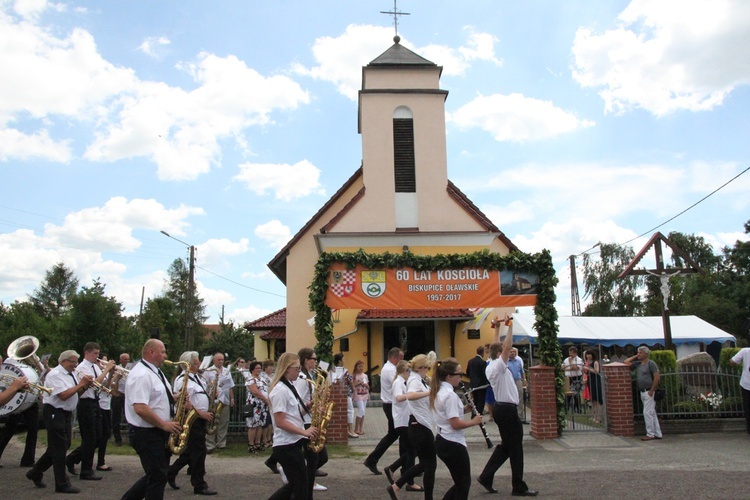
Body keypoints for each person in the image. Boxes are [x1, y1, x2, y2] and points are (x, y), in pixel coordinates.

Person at [477, 314, 539, 497]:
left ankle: (486, 476)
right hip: (507, 409)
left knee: (507, 446)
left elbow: (497, 345)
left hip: (501, 408)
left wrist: (496, 328)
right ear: (500, 355)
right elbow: (506, 346)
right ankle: (518, 486)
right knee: (516, 448)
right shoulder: (498, 366)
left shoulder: (490, 364)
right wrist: (509, 326)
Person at [121, 339, 182, 500]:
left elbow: (156, 398)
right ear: (151, 352)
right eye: (162, 352)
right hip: (147, 432)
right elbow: (140, 408)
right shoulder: (141, 374)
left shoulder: (155, 371)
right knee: (157, 476)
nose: (165, 356)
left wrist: (176, 397)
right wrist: (163, 424)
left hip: (157, 431)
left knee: (156, 475)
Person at [26, 350, 93, 494]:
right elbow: (63, 395)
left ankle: (35, 472)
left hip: (66, 413)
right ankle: (61, 483)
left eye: (76, 362)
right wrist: (81, 383)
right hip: (55, 412)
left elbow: (76, 393)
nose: (75, 365)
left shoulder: (72, 374)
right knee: (59, 448)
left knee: (61, 445)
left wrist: (85, 386)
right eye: (73, 362)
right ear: (64, 361)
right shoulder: (55, 375)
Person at [430, 357, 483, 500]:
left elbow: (447, 414)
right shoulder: (450, 395)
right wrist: (474, 422)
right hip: (452, 442)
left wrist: (465, 409)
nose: (461, 377)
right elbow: (455, 424)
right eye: (459, 374)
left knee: (461, 482)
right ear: (449, 376)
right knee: (464, 483)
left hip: (443, 440)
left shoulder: (439, 390)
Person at [268, 352, 318, 500]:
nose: (299, 371)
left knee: (297, 484)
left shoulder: (289, 386)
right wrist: (304, 432)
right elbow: (280, 422)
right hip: (285, 445)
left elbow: (293, 415)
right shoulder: (280, 390)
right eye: (297, 368)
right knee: (300, 485)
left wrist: (308, 406)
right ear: (287, 368)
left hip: (292, 443)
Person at [166, 351, 217, 495]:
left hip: (198, 419)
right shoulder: (184, 379)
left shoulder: (196, 378)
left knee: (191, 452)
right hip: (192, 419)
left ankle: (170, 472)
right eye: (196, 361)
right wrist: (201, 414)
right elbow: (184, 404)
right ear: (190, 364)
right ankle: (199, 484)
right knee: (199, 451)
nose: (199, 363)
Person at [387, 353, 433, 498]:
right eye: (428, 367)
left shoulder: (418, 379)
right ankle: (401, 484)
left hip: (420, 423)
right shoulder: (413, 380)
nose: (429, 370)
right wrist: (429, 392)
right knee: (427, 463)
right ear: (422, 367)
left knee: (425, 462)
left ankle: (397, 485)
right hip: (418, 424)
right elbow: (410, 395)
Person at [66, 342, 115, 481]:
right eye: (95, 354)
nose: (97, 357)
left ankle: (72, 458)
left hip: (96, 402)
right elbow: (93, 385)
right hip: (85, 403)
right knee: (90, 438)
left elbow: (103, 384)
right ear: (86, 353)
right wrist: (106, 370)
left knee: (100, 437)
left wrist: (110, 374)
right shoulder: (82, 367)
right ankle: (86, 470)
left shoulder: (95, 367)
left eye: (98, 354)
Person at [364, 347, 404, 475]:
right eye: (400, 358)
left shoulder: (391, 368)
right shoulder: (390, 370)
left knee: (395, 434)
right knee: (401, 434)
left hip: (392, 405)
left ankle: (373, 459)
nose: (403, 361)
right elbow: (400, 383)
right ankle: (405, 465)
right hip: (391, 405)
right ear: (393, 358)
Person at [293, 348, 327, 491]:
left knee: (319, 456)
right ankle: (306, 484)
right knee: (315, 457)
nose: (316, 361)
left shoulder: (309, 376)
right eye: (314, 358)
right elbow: (298, 402)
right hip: (305, 421)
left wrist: (317, 408)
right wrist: (310, 406)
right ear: (306, 360)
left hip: (310, 418)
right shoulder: (302, 378)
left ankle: (304, 481)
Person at [383, 360, 418, 492]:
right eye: (409, 371)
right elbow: (398, 398)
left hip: (405, 419)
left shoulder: (402, 382)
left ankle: (393, 468)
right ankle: (409, 480)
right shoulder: (398, 382)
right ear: (404, 371)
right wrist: (411, 395)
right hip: (401, 421)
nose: (410, 374)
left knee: (411, 450)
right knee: (412, 450)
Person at [624, 346, 663, 441]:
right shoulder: (638, 364)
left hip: (649, 391)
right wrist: (635, 356)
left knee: (647, 412)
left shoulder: (651, 364)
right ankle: (657, 433)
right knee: (652, 413)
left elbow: (656, 377)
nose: (639, 354)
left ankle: (650, 434)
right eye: (638, 352)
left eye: (640, 353)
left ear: (646, 354)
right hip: (643, 391)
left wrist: (652, 390)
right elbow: (626, 362)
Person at [204, 352, 235, 453]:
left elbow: (230, 386)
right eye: (219, 360)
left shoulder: (227, 371)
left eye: (222, 360)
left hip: (224, 400)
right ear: (214, 360)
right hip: (213, 400)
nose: (221, 361)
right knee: (211, 422)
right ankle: (209, 444)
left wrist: (232, 399)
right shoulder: (208, 371)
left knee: (223, 422)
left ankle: (221, 443)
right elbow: (204, 385)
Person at [245, 361, 271, 453]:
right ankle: (251, 444)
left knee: (260, 424)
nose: (258, 370)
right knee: (253, 424)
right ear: (252, 369)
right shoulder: (250, 379)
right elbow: (255, 391)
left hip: (263, 405)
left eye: (260, 368)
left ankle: (258, 443)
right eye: (257, 368)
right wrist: (265, 399)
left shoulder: (262, 379)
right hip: (254, 404)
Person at [95, 355, 115, 472]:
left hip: (106, 406)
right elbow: (100, 386)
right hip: (100, 405)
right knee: (98, 437)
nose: (105, 362)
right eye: (103, 360)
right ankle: (73, 458)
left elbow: (108, 386)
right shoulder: (97, 372)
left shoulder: (105, 373)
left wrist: (113, 375)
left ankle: (101, 461)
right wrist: (107, 370)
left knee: (106, 435)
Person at [331, 353, 358, 438]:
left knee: (348, 411)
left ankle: (347, 429)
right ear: (339, 361)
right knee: (350, 410)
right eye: (343, 359)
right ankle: (350, 429)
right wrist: (353, 389)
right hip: (346, 393)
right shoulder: (343, 370)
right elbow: (350, 380)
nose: (344, 360)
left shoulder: (332, 371)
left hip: (340, 393)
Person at [111, 352, 130, 446]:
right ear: (121, 360)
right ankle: (117, 439)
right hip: (118, 394)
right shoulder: (116, 369)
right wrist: (118, 379)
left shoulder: (130, 369)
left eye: (128, 359)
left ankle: (131, 438)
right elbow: (113, 383)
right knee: (116, 418)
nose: (127, 361)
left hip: (127, 395)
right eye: (125, 359)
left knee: (129, 416)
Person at [730, 347, 750, 434]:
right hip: (746, 383)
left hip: (746, 383)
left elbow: (732, 361)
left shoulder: (745, 351)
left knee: (748, 407)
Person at [466, 345, 489, 417]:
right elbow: (484, 374)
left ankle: (473, 415)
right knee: (481, 401)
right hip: (481, 385)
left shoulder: (470, 361)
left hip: (473, 384)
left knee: (474, 401)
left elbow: (467, 373)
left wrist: (472, 379)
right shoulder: (483, 362)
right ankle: (479, 416)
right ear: (482, 353)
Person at [582, 349, 604, 423]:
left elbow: (596, 371)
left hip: (596, 381)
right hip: (590, 381)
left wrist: (588, 368)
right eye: (587, 355)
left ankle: (599, 417)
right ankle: (594, 416)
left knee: (598, 400)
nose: (588, 356)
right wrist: (585, 369)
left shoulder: (595, 362)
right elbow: (587, 372)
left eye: (590, 354)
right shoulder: (588, 363)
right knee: (593, 400)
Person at [507, 348, 526, 423]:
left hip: (518, 380)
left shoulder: (518, 361)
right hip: (510, 381)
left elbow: (522, 371)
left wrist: (524, 379)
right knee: (510, 398)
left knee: (520, 397)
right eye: (511, 352)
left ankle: (520, 416)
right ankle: (511, 416)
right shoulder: (506, 362)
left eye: (514, 352)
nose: (512, 353)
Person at [562, 346, 584, 413]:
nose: (570, 355)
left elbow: (576, 368)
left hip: (576, 378)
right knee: (568, 394)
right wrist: (570, 368)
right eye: (569, 353)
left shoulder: (579, 360)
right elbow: (563, 367)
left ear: (575, 353)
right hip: (568, 378)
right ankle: (566, 408)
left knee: (576, 394)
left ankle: (578, 409)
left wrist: (571, 362)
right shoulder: (566, 359)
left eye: (571, 353)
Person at [352, 360, 369, 435]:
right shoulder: (354, 376)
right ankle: (356, 429)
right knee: (361, 410)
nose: (361, 368)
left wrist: (366, 385)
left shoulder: (365, 376)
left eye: (362, 366)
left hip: (365, 394)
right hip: (358, 395)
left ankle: (361, 428)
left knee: (363, 412)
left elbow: (368, 386)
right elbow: (352, 385)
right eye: (359, 366)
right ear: (356, 367)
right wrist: (358, 383)